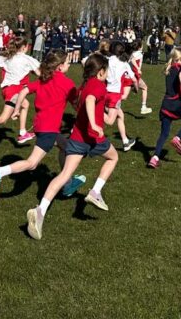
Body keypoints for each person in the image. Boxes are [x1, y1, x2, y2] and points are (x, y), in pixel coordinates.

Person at [25, 53, 118, 240]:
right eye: (107, 71)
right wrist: (93, 124)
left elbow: (106, 119)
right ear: (100, 72)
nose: (108, 75)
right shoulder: (98, 86)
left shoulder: (84, 86)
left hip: (76, 139)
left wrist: (113, 110)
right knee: (114, 157)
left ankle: (40, 210)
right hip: (93, 140)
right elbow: (91, 101)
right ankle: (95, 191)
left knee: (64, 175)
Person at [0, 52, 79, 198]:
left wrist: (16, 109)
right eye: (67, 63)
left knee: (66, 147)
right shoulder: (67, 83)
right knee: (32, 163)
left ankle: (67, 183)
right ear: (60, 67)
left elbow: (24, 90)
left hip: (40, 126)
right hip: (49, 129)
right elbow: (78, 105)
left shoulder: (43, 80)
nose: (70, 65)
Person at [147, 49, 181, 169]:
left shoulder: (169, 68)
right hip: (176, 104)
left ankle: (155, 158)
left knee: (164, 133)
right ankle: (178, 138)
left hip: (165, 104)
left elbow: (178, 80)